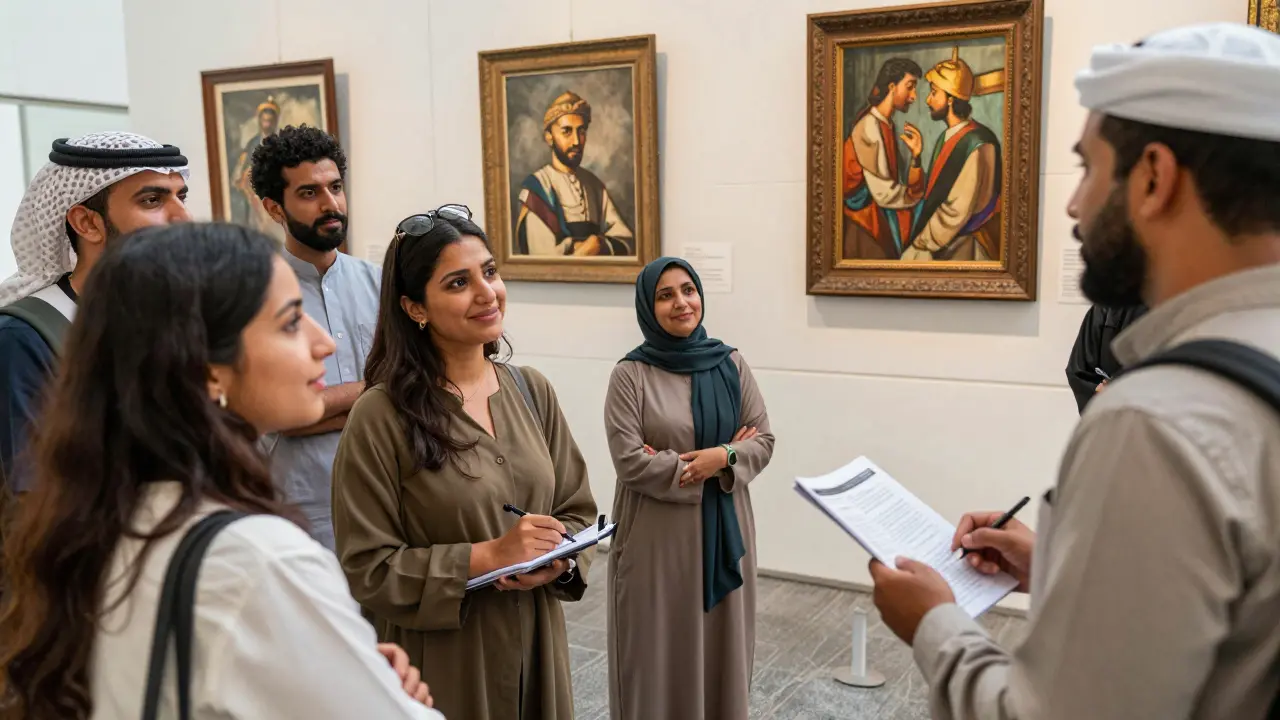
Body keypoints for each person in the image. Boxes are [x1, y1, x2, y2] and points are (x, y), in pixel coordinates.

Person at [868, 23, 1280, 719]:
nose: (1072, 203)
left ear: (1154, 177)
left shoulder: (1154, 423)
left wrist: (933, 622)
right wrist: (1059, 561)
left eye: (1088, 168)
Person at [0, 223, 442, 719]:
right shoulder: (257, 559)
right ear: (209, 368)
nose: (326, 345)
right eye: (292, 322)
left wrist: (334, 666)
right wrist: (400, 703)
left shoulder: (99, 520)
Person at [332, 205, 597, 720]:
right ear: (414, 308)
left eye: (490, 272)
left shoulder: (531, 390)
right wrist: (489, 556)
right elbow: (367, 567)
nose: (486, 293)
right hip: (446, 664)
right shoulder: (381, 414)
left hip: (537, 645)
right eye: (458, 282)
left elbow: (578, 511)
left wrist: (560, 559)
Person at [603, 257, 774, 720]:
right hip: (658, 541)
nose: (681, 302)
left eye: (688, 290)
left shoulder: (731, 363)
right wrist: (711, 461)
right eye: (665, 295)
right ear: (647, 307)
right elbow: (629, 461)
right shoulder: (630, 375)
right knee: (655, 653)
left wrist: (725, 457)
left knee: (723, 650)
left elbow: (763, 438)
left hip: (727, 534)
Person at [0, 131, 191, 497]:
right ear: (87, 223)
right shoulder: (26, 336)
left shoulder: (176, 322)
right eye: (152, 200)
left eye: (181, 197)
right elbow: (36, 498)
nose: (182, 217)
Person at [250, 124, 378, 551]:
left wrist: (312, 412)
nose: (331, 204)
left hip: (390, 496)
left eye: (336, 187)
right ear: (274, 208)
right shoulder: (255, 294)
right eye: (309, 193)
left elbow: (419, 390)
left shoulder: (382, 285)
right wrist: (374, 392)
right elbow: (270, 415)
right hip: (302, 506)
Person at [900, 51, 1002, 262]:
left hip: (964, 249)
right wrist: (917, 157)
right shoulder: (946, 137)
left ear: (950, 99)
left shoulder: (979, 143)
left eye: (934, 92)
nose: (928, 100)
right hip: (945, 242)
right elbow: (935, 193)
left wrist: (920, 245)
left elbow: (956, 210)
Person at [514, 91, 636, 257]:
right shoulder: (537, 189)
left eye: (581, 131)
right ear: (549, 137)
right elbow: (543, 259)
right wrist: (584, 248)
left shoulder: (594, 186)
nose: (577, 141)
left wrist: (600, 245)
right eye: (567, 131)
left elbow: (627, 241)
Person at [842, 58, 926, 260]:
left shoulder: (886, 123)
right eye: (910, 87)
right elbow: (883, 193)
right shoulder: (869, 127)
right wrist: (915, 196)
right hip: (864, 226)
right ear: (891, 86)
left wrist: (916, 156)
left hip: (877, 216)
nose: (914, 96)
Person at [1064, 303, 1148, 413]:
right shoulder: (1106, 308)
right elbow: (1079, 370)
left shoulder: (1169, 309)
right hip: (1111, 415)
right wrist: (1103, 392)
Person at [231, 96, 283, 238]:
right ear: (260, 121)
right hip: (254, 195)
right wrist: (242, 176)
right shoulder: (253, 142)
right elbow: (242, 166)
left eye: (270, 121)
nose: (267, 123)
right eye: (264, 120)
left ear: (275, 122)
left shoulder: (282, 142)